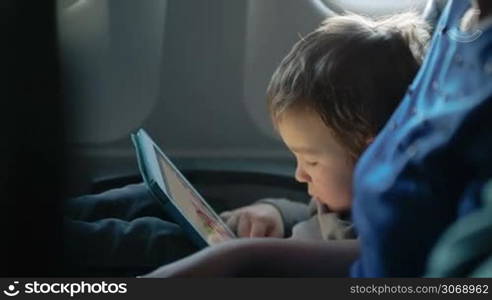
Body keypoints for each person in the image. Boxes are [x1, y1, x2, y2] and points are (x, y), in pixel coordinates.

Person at [143, 11, 431, 277]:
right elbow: (314, 215)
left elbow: (359, 254)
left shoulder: (392, 231)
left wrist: (248, 255)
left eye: (311, 161)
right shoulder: (344, 197)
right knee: (141, 205)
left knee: (157, 241)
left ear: (375, 153)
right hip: (269, 244)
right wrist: (276, 213)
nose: (299, 175)